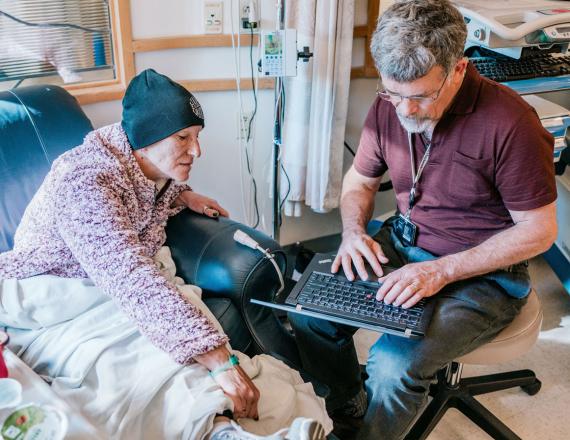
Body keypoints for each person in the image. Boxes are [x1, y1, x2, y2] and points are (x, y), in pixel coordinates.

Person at [0, 69, 328, 440]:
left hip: (105, 286)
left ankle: (228, 432)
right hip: (55, 299)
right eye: (183, 137)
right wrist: (221, 360)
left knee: (175, 350)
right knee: (147, 361)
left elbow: (141, 191)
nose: (197, 150)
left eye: (197, 136)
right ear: (144, 139)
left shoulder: (141, 164)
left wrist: (182, 195)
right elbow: (131, 278)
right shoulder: (84, 182)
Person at [288, 0, 558, 438]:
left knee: (394, 363)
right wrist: (354, 233)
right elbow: (359, 181)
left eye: (419, 97)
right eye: (392, 93)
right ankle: (350, 412)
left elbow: (540, 230)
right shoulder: (391, 105)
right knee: (310, 314)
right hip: (404, 240)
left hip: (482, 273)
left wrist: (441, 270)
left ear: (459, 70)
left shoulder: (511, 124)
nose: (405, 111)